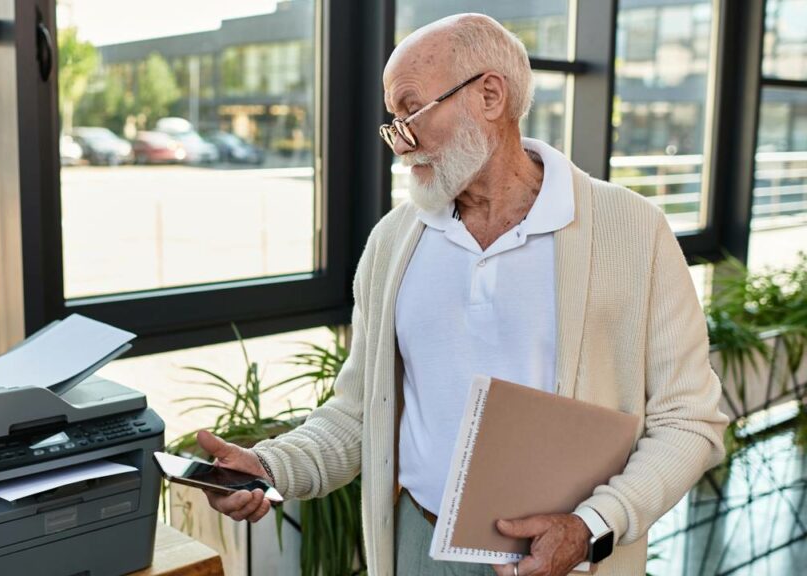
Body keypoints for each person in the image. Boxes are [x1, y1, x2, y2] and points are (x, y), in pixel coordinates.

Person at [192, 13, 728, 576]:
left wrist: (592, 526)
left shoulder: (633, 231)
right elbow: (360, 414)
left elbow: (689, 419)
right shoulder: (392, 242)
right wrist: (268, 466)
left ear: (490, 96)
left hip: (572, 555)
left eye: (411, 111)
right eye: (392, 122)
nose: (401, 143)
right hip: (420, 544)